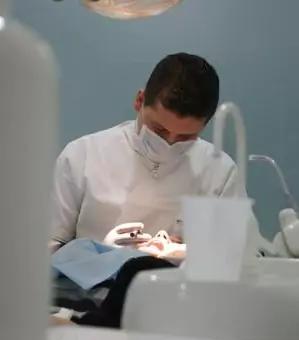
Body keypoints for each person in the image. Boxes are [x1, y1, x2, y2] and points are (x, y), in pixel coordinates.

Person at [50, 52, 245, 253]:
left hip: (180, 284)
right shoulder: (82, 156)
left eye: (185, 137)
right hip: (93, 285)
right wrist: (98, 255)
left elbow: (238, 258)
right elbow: (47, 250)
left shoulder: (220, 171)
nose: (169, 142)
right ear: (139, 100)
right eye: (159, 130)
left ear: (206, 124)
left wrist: (187, 255)